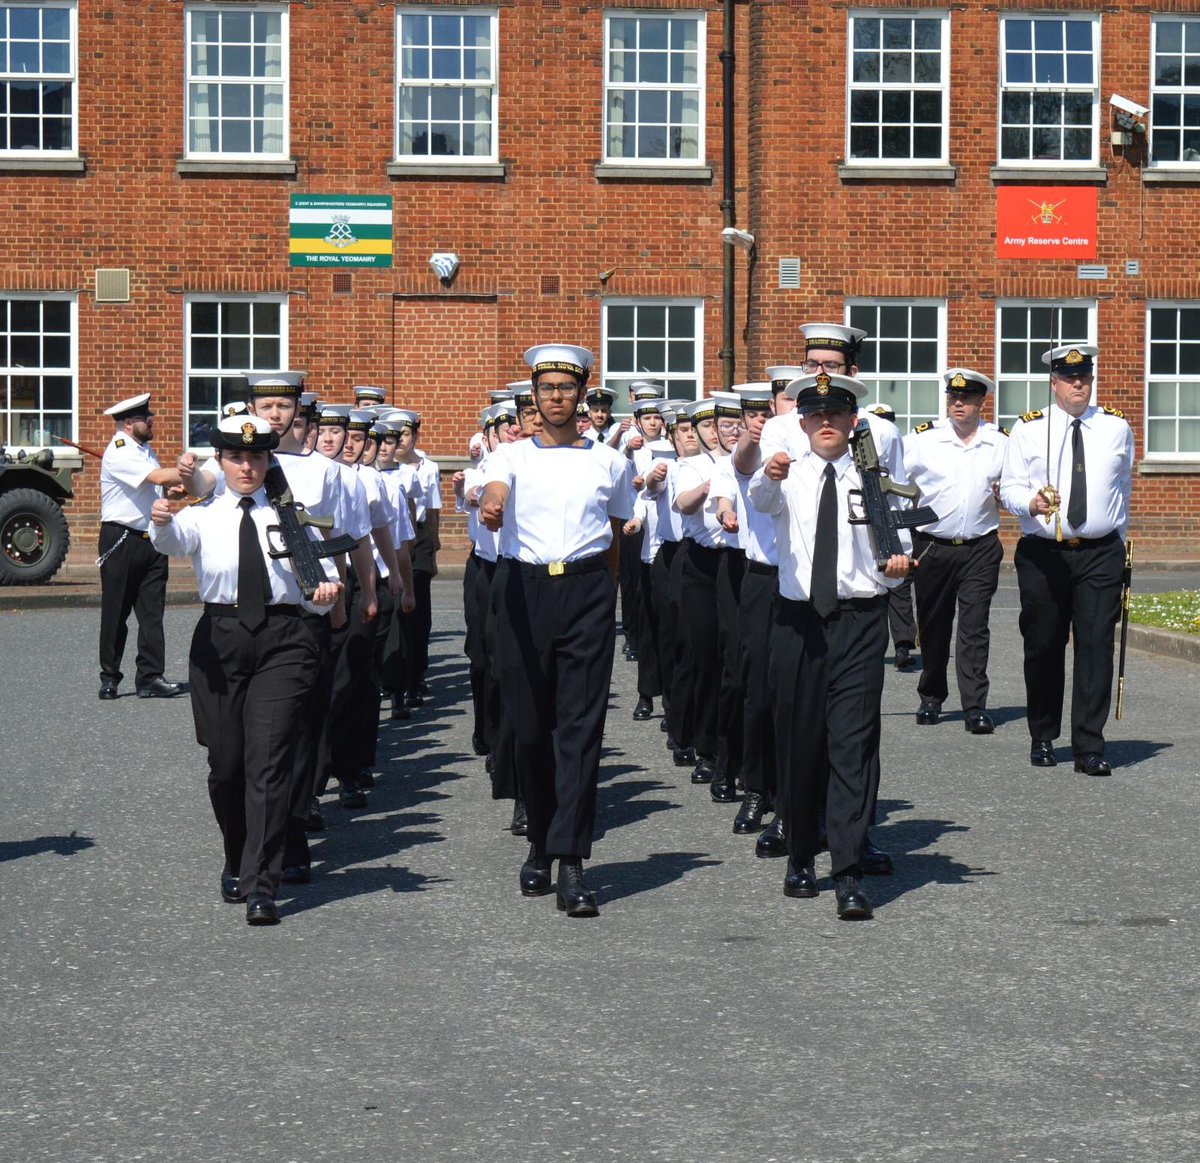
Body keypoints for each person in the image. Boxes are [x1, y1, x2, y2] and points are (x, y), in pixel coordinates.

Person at [150, 414, 341, 925]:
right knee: (227, 764)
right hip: (222, 639)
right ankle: (236, 855)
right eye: (236, 457)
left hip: (285, 640)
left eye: (256, 457)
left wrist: (325, 594)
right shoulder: (204, 514)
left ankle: (262, 883)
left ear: (268, 460)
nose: (247, 467)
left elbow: (320, 580)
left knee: (269, 761)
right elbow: (171, 542)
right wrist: (161, 519)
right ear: (221, 461)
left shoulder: (292, 516)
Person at [480, 344, 634, 917]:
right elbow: (494, 490)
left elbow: (616, 528)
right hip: (524, 590)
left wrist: (607, 589)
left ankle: (570, 859)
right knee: (529, 728)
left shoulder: (609, 462)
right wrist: (492, 505)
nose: (556, 397)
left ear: (582, 395)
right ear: (534, 396)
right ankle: (540, 842)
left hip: (587, 589)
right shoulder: (510, 456)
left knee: (579, 727)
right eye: (546, 389)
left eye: (566, 388)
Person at [750, 372, 912, 920]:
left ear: (852, 421)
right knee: (800, 742)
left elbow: (897, 550)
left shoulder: (874, 481)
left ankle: (848, 870)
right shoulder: (786, 473)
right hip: (799, 623)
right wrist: (769, 472)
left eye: (835, 414)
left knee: (854, 745)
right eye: (815, 415)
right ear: (801, 423)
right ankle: (800, 853)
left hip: (859, 622)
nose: (825, 423)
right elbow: (760, 499)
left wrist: (897, 567)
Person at [1000, 344, 1133, 775]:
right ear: (1053, 383)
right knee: (1043, 644)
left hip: (1099, 552)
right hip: (1044, 553)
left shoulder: (1115, 427)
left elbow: (1122, 488)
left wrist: (1118, 541)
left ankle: (1089, 746)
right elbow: (1009, 487)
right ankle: (1042, 733)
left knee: (1096, 645)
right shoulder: (1028, 428)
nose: (1079, 385)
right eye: (1070, 378)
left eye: (1085, 377)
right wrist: (1031, 503)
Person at [902, 369, 1007, 732]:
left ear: (981, 402)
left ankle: (974, 706)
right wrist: (904, 537)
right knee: (934, 625)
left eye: (967, 398)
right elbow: (896, 486)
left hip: (980, 546)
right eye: (953, 398)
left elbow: (1015, 485)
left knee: (974, 627)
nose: (958, 404)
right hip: (933, 545)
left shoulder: (999, 442)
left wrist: (1006, 495)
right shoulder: (923, 440)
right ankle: (931, 696)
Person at [97, 393, 184, 700]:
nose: (151, 421)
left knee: (152, 614)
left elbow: (154, 486)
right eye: (145, 418)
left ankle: (150, 677)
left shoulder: (144, 450)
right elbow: (157, 476)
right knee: (116, 612)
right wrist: (196, 472)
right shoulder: (120, 450)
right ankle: (109, 678)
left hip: (151, 538)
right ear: (128, 423)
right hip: (122, 539)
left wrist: (174, 491)